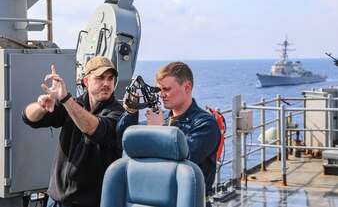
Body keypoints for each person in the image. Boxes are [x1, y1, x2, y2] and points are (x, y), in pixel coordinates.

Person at [22, 56, 124, 207]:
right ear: (86, 82)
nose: (106, 84)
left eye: (110, 79)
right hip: (55, 200)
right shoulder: (74, 104)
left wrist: (65, 98)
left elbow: (95, 129)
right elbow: (29, 118)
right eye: (100, 78)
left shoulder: (117, 113)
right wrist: (41, 106)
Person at [117, 61, 220, 207]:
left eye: (167, 89)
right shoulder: (162, 118)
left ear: (187, 87)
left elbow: (186, 158)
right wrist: (131, 112)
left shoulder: (206, 124)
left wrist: (160, 129)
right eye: (160, 90)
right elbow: (124, 141)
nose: (162, 95)